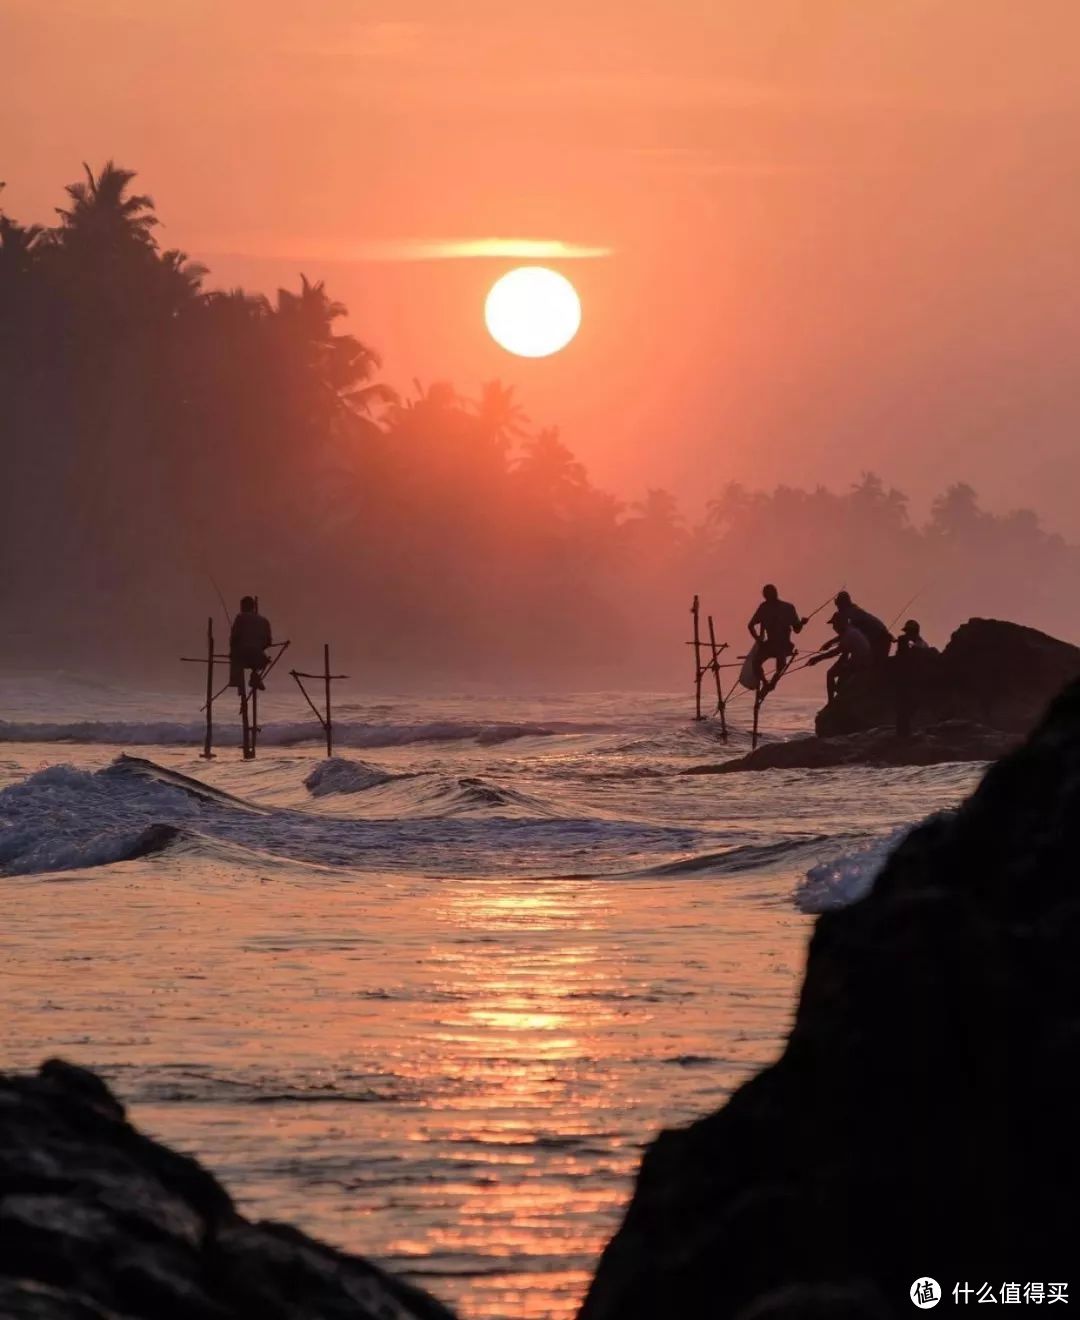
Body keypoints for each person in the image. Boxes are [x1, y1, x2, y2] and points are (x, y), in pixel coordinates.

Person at [747, 584, 807, 690]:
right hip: (770, 644)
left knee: (779, 661)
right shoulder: (764, 607)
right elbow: (750, 625)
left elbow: (797, 629)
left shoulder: (787, 607)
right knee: (756, 662)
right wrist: (758, 639)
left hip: (784, 645)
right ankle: (765, 683)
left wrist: (801, 623)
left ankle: (772, 682)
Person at [809, 615, 872, 703]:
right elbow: (839, 639)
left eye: (835, 624)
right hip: (860, 660)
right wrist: (829, 643)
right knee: (841, 667)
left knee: (830, 674)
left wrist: (817, 658)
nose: (834, 627)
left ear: (841, 623)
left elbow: (836, 652)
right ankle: (839, 694)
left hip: (860, 663)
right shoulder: (851, 630)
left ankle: (831, 702)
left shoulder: (849, 634)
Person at [834, 590, 893, 663]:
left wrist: (831, 643)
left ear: (843, 603)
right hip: (879, 639)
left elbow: (848, 634)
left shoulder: (851, 613)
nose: (838, 607)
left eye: (838, 604)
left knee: (871, 666)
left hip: (880, 640)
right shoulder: (854, 611)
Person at [229, 596, 273, 693]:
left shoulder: (240, 618)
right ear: (253, 607)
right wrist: (259, 647)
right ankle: (255, 676)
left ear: (243, 607)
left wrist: (232, 652)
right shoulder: (264, 621)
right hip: (259, 659)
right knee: (260, 659)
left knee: (235, 656)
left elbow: (234, 639)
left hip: (243, 656)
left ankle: (237, 682)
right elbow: (268, 642)